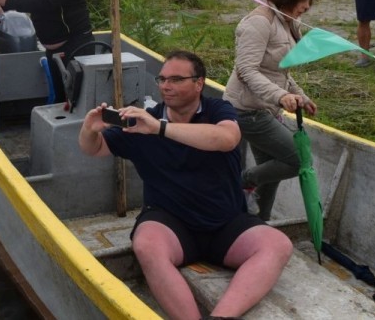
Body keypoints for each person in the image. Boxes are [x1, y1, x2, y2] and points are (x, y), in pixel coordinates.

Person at [78, 50, 293, 320]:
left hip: (224, 221)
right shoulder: (143, 122)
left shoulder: (216, 109)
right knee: (146, 245)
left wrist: (161, 128)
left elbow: (226, 138)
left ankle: (222, 317)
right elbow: (95, 149)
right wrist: (89, 129)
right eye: (163, 79)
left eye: (177, 79)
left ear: (199, 83)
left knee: (278, 245)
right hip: (171, 223)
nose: (166, 86)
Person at [222, 0, 325, 222]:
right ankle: (242, 181)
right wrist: (280, 96)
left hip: (266, 107)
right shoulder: (259, 22)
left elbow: (279, 70)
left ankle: (258, 224)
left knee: (272, 176)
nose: (307, 6)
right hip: (246, 110)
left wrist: (300, 95)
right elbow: (246, 69)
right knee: (299, 159)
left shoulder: (287, 21)